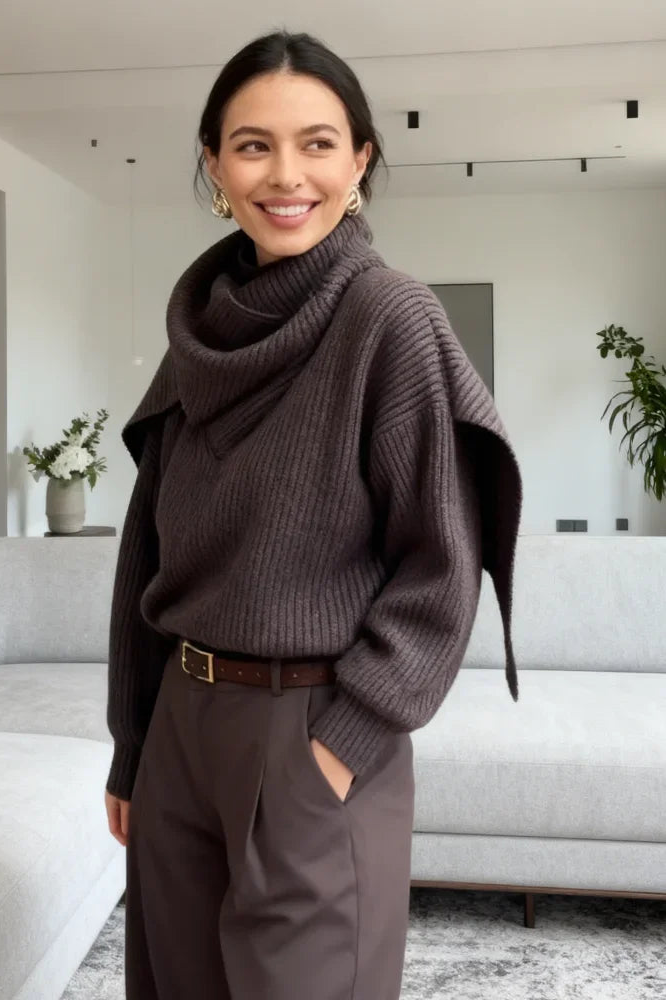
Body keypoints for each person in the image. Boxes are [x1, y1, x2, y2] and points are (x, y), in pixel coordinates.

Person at [104, 28, 523, 1000]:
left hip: (312, 728)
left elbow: (440, 566)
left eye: (318, 143)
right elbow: (146, 555)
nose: (286, 174)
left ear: (360, 160)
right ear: (214, 164)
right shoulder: (196, 336)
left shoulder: (390, 320)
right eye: (253, 145)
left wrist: (336, 750)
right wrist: (134, 746)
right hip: (181, 728)